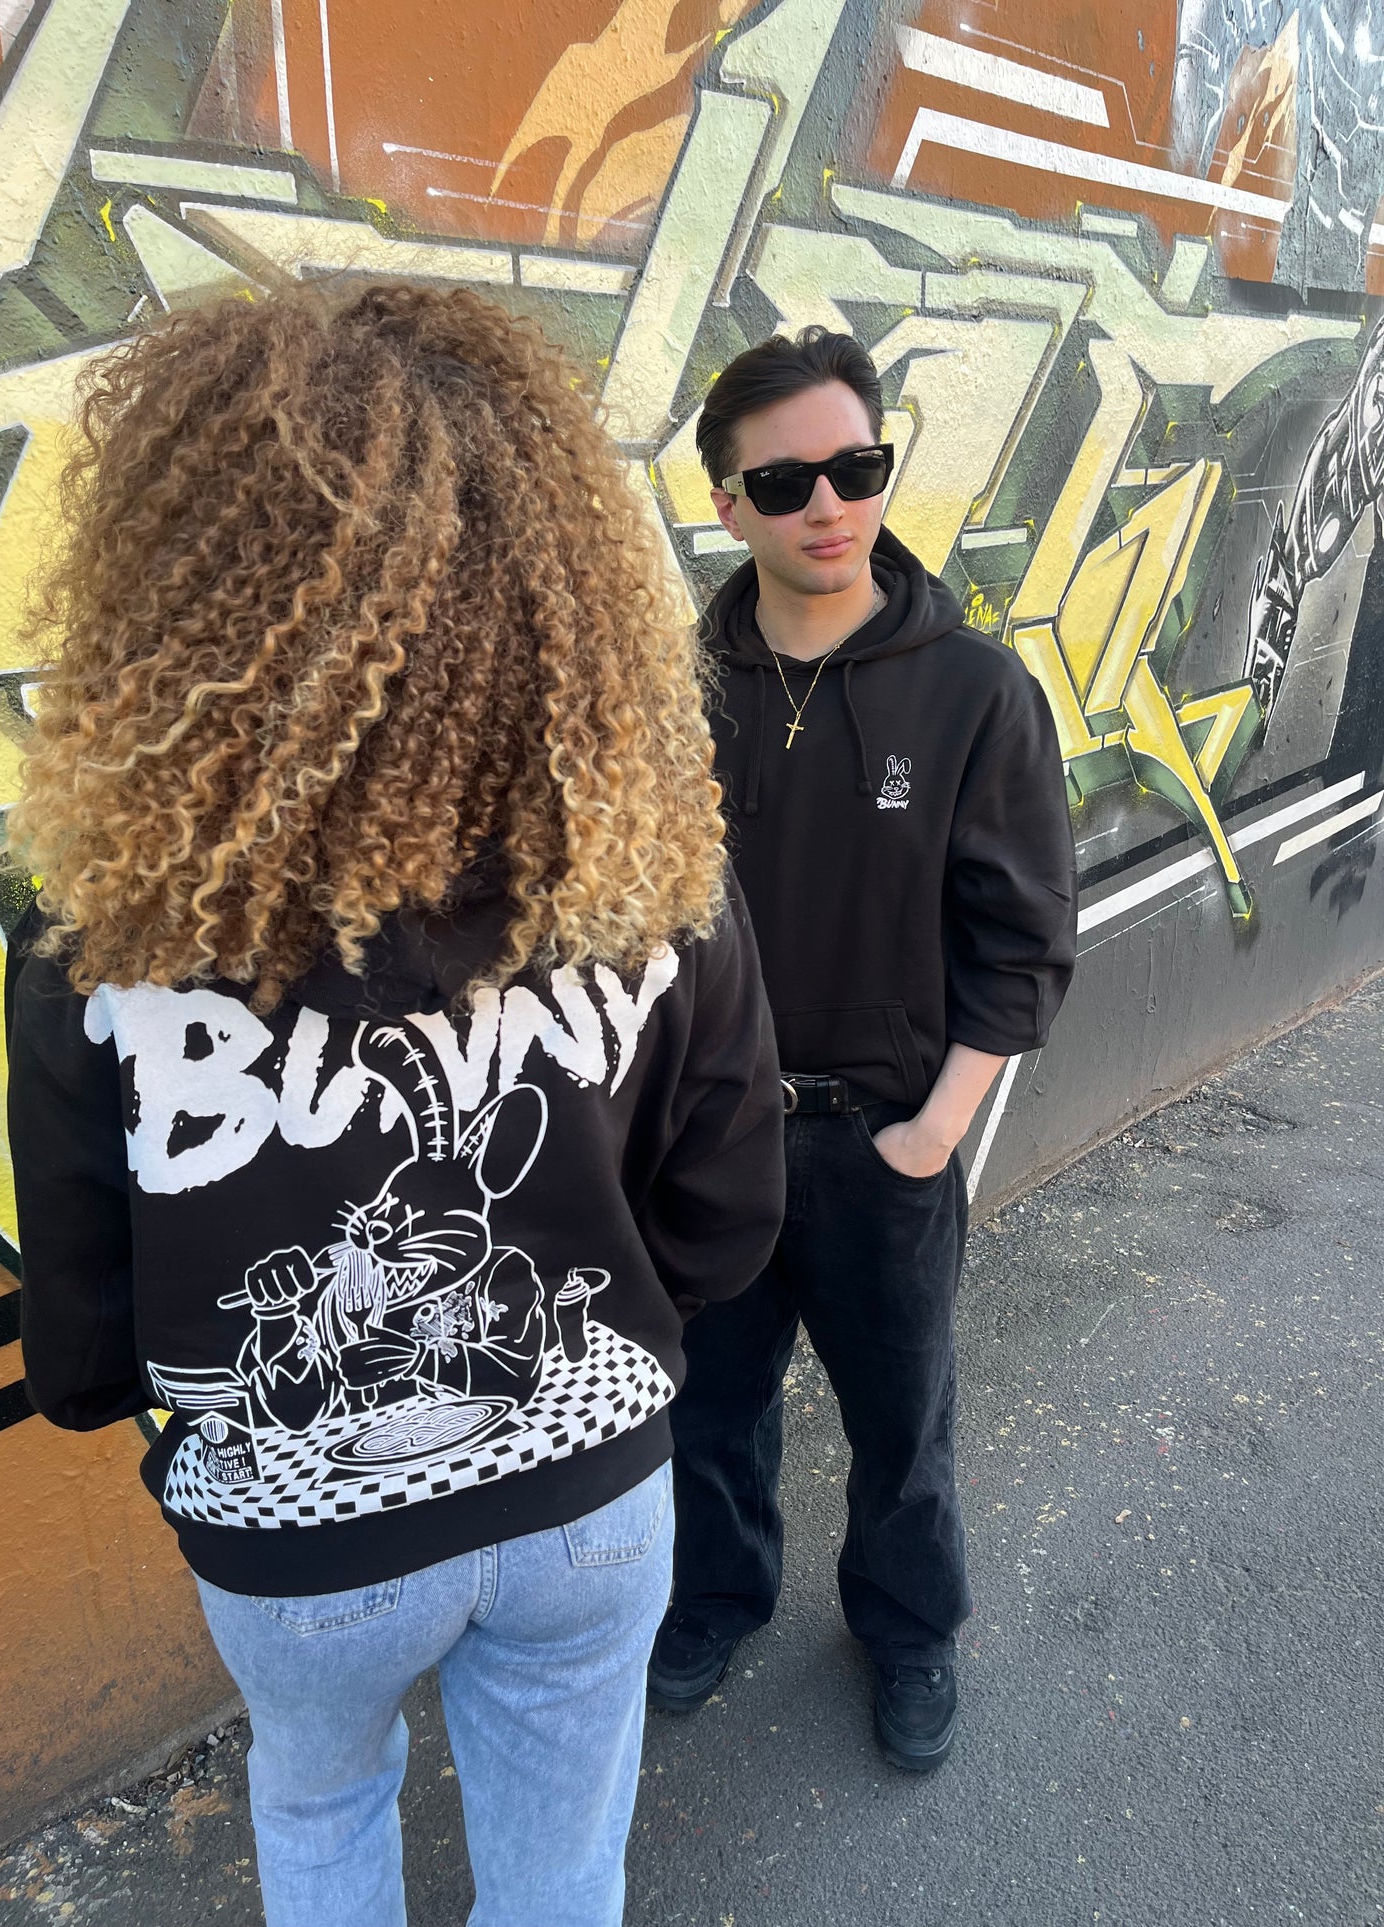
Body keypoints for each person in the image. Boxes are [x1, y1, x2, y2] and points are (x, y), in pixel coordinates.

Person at [3, 281, 785, 1927]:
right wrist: (607, 1325)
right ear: (560, 586)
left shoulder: (101, 941)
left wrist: (144, 1393)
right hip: (587, 1500)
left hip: (293, 1546)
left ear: (177, 597)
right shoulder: (653, 877)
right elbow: (723, 1213)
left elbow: (80, 1317)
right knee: (561, 1876)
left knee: (319, 1814)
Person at [647, 327, 1078, 1771]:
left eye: (856, 467)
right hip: (704, 1143)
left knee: (902, 1421)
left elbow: (1021, 942)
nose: (827, 505)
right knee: (706, 1409)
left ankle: (907, 1629)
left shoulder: (973, 692)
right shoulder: (669, 695)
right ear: (729, 505)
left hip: (878, 1142)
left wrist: (932, 1134)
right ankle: (714, 1598)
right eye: (785, 483)